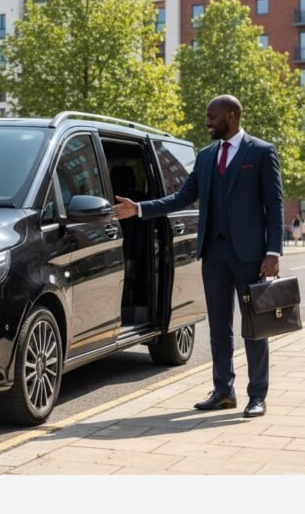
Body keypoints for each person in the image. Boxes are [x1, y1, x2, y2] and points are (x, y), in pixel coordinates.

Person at [113, 95, 283, 419]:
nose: (207, 122)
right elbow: (182, 197)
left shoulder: (261, 152)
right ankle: (223, 391)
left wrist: (273, 252)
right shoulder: (205, 158)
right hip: (213, 254)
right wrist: (138, 208)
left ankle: (257, 395)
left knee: (254, 327)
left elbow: (273, 205)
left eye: (212, 117)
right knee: (219, 328)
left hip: (250, 256)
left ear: (231, 116)